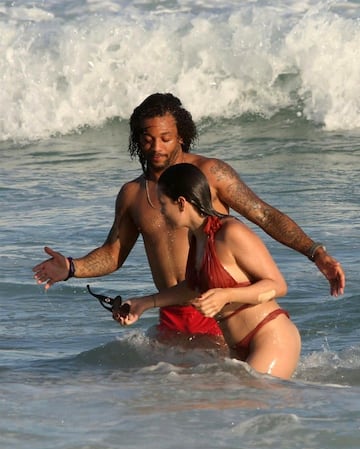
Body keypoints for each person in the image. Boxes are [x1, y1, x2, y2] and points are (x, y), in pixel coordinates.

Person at [33, 93, 345, 340]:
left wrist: (316, 253)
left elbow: (263, 214)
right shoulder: (132, 194)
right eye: (148, 139)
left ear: (182, 136)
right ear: (136, 139)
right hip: (171, 314)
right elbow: (114, 254)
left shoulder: (211, 174)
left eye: (166, 138)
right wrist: (72, 268)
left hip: (220, 312)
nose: (156, 147)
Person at [114, 163, 301, 379]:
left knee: (249, 402)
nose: (162, 212)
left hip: (270, 337)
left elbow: (278, 285)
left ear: (181, 203)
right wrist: (144, 303)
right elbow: (193, 288)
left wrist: (227, 295)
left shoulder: (230, 232)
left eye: (163, 204)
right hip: (237, 346)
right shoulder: (197, 237)